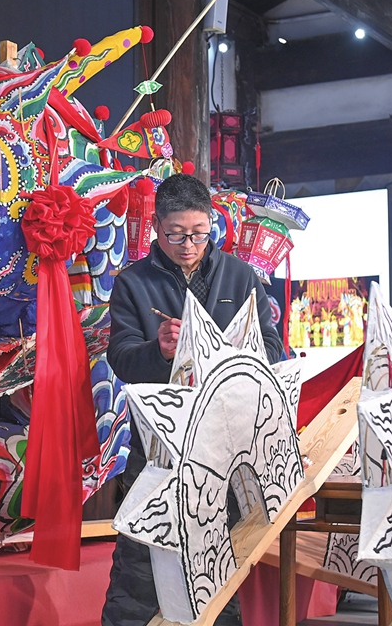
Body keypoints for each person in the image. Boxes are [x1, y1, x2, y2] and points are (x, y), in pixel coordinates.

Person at [103, 174, 282, 626]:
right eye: (176, 234)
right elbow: (121, 358)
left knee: (218, 563)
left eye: (199, 234)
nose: (189, 245)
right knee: (142, 561)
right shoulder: (134, 283)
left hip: (225, 444)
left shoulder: (240, 275)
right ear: (156, 228)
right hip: (160, 443)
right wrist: (159, 350)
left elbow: (273, 348)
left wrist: (232, 352)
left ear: (211, 226)